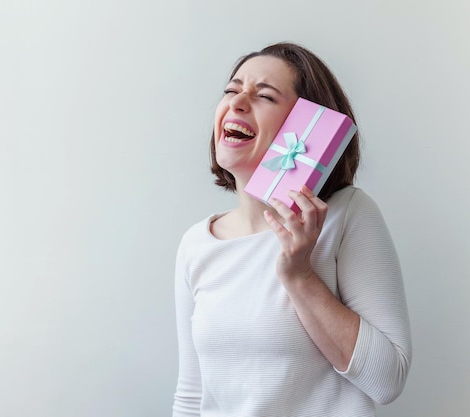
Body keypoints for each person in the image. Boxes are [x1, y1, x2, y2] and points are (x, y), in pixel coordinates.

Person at [173, 42, 412, 417]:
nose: (237, 102)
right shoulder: (196, 244)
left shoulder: (347, 214)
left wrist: (300, 276)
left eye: (264, 95)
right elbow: (192, 395)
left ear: (307, 126)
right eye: (232, 90)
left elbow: (387, 380)